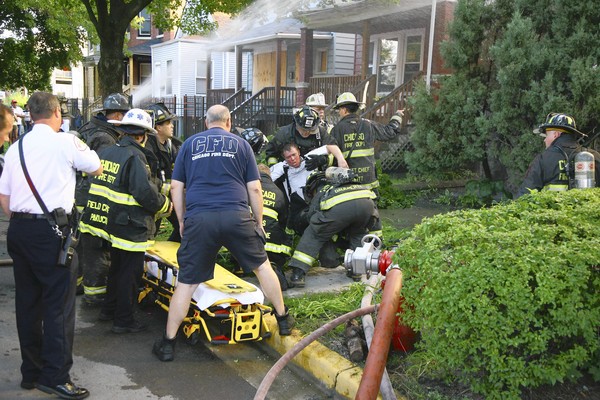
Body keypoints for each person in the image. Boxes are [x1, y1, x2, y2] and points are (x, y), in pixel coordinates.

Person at [153, 105, 294, 362]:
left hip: (200, 219)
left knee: (187, 283)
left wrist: (182, 220)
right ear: (228, 121)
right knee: (263, 268)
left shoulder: (188, 145)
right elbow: (254, 189)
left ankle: (167, 343)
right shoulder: (241, 145)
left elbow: (176, 186)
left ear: (206, 122)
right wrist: (258, 222)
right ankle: (283, 319)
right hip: (236, 216)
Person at [0, 91, 103, 399]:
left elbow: (4, 200)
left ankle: (30, 373)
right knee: (58, 307)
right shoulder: (66, 141)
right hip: (53, 233)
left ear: (30, 115)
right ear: (57, 113)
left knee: (28, 304)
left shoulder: (15, 148)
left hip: (19, 230)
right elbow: (95, 166)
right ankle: (56, 377)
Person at [79, 109, 171, 334]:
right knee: (130, 274)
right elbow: (143, 192)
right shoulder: (135, 156)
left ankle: (108, 311)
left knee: (117, 269)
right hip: (131, 227)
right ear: (143, 136)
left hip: (113, 222)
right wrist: (166, 205)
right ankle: (124, 320)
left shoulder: (109, 151)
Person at [76, 92, 130, 306]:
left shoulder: (92, 129)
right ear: (116, 114)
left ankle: (81, 283)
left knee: (83, 245)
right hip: (91, 196)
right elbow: (107, 170)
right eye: (125, 114)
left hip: (82, 194)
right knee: (96, 247)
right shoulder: (105, 138)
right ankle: (95, 295)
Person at [287, 168, 378, 288]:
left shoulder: (323, 188)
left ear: (311, 187)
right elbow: (374, 218)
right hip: (367, 206)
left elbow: (312, 215)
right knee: (358, 233)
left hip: (342, 210)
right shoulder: (350, 184)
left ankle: (298, 273)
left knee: (314, 233)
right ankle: (357, 271)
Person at [329, 92, 403, 236]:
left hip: (349, 182)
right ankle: (376, 246)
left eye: (339, 110)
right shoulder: (368, 125)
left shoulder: (337, 130)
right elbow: (390, 132)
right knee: (372, 215)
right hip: (369, 182)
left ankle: (351, 244)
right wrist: (397, 116)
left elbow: (330, 157)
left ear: (344, 109)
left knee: (350, 213)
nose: (339, 113)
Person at [517, 113, 600, 197]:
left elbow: (524, 196)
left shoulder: (543, 159)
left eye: (546, 135)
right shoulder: (594, 157)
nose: (545, 140)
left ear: (556, 134)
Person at [145, 102, 182, 242]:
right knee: (149, 236)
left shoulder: (171, 145)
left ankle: (168, 257)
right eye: (168, 123)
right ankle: (151, 262)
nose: (172, 126)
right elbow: (147, 179)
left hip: (167, 196)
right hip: (153, 198)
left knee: (183, 225)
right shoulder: (148, 148)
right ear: (157, 127)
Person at [264, 105, 341, 167]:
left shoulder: (320, 132)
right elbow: (271, 154)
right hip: (289, 176)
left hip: (314, 176)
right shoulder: (284, 134)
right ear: (296, 124)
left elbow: (333, 149)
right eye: (303, 129)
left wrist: (324, 160)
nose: (306, 132)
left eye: (310, 130)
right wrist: (276, 169)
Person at [258, 163, 291, 290]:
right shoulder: (278, 191)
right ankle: (275, 267)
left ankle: (238, 268)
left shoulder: (249, 187)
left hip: (251, 238)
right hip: (274, 243)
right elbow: (283, 219)